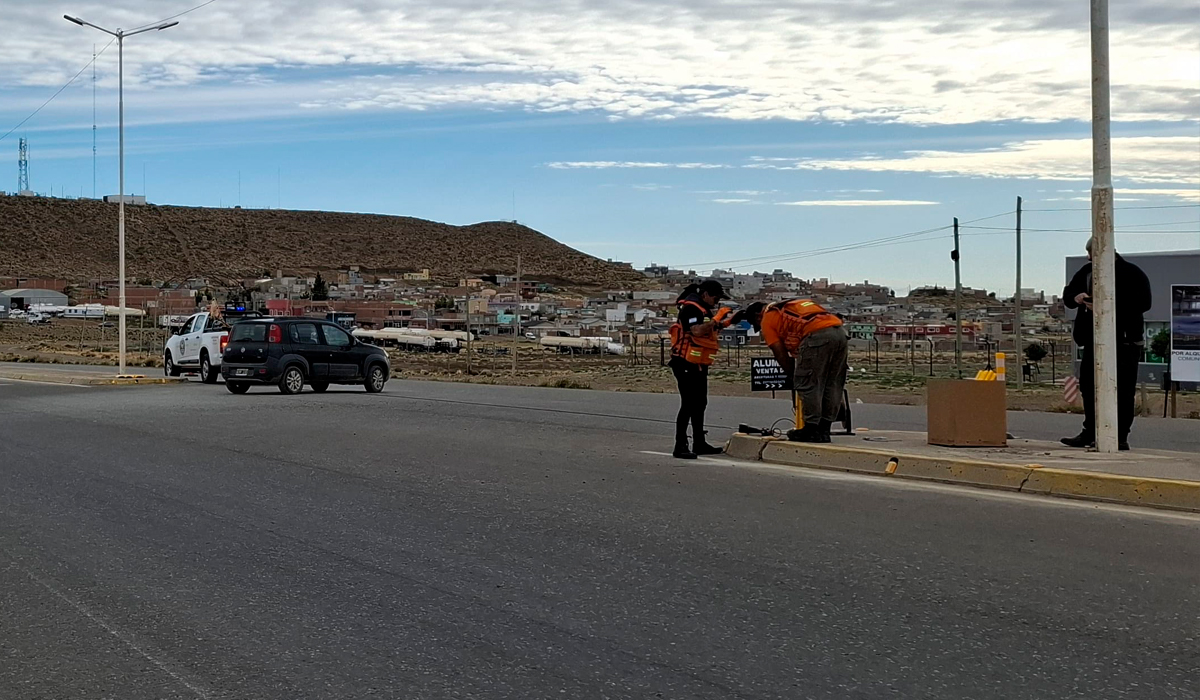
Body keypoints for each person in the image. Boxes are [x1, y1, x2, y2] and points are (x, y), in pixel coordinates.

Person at [1061, 238, 1152, 450]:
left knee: (1123, 389)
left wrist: (1107, 307)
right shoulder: (1086, 272)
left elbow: (1144, 303)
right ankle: (1090, 432)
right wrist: (1078, 297)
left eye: (1091, 252)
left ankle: (1119, 436)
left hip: (1125, 341)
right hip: (1093, 340)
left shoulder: (1131, 273)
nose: (1088, 257)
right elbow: (1067, 295)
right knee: (1089, 387)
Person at [743, 299, 848, 443]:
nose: (760, 328)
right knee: (832, 383)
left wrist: (793, 377)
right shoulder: (792, 305)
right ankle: (824, 430)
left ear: (757, 316)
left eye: (757, 325)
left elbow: (779, 352)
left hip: (816, 335)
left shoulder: (768, 318)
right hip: (840, 333)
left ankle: (811, 429)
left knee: (809, 384)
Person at [668, 279, 736, 459]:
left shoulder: (703, 309)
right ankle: (680, 445)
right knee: (688, 404)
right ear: (705, 294)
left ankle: (699, 443)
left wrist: (728, 322)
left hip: (698, 363)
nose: (717, 301)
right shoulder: (691, 308)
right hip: (684, 363)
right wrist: (717, 317)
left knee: (700, 403)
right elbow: (697, 331)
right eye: (715, 297)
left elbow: (710, 330)